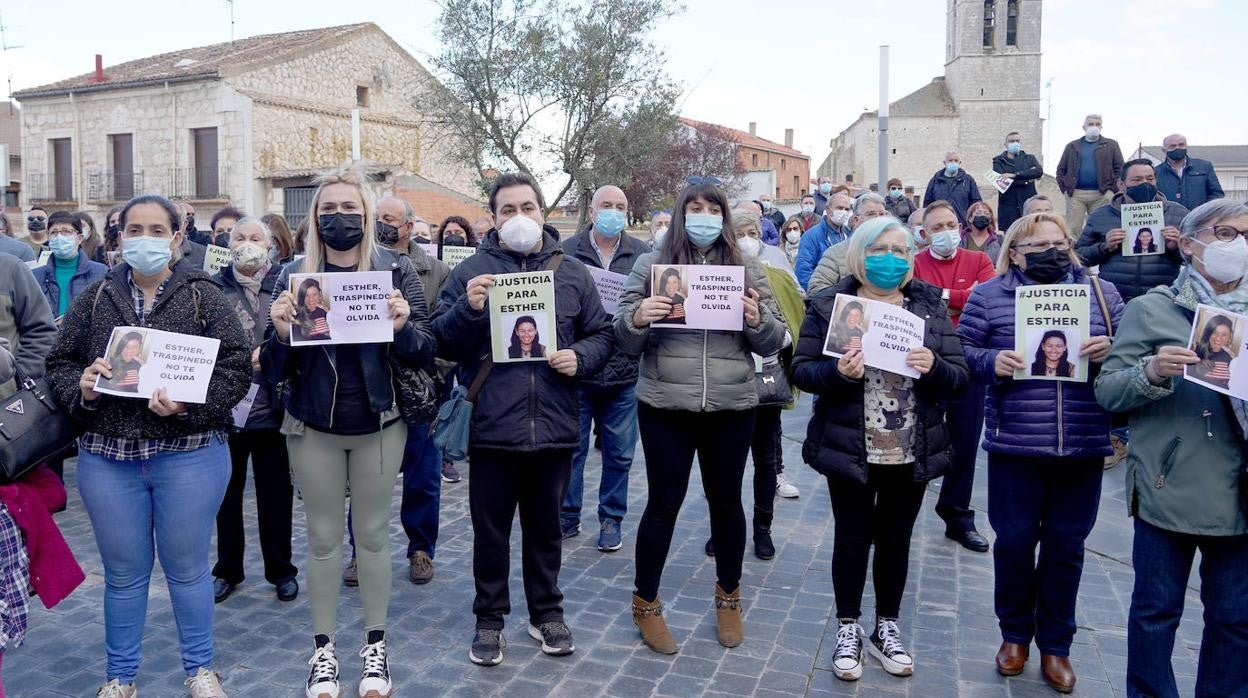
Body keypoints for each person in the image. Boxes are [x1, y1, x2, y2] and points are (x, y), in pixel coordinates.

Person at [46, 193, 252, 697]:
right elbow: (60, 363)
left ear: (178, 237)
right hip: (109, 458)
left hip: (190, 455)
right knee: (122, 575)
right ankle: (120, 677)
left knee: (187, 570)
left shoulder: (205, 294)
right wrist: (84, 387)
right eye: (134, 229)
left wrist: (187, 407)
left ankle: (200, 670)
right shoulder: (96, 296)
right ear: (118, 237)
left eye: (157, 230)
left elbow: (236, 369)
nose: (145, 239)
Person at [262, 163, 436, 698]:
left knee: (376, 537)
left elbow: (428, 351)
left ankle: (376, 648)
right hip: (312, 426)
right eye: (329, 210)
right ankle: (324, 652)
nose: (341, 218)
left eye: (350, 209)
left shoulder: (396, 270)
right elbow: (270, 369)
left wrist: (405, 327)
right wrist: (281, 332)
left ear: (367, 215)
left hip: (380, 424)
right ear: (315, 218)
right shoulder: (290, 274)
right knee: (321, 541)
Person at [431, 171, 613, 666]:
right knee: (490, 533)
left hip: (554, 426)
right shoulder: (470, 270)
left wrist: (581, 356)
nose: (518, 218)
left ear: (542, 211)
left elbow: (602, 335)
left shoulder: (572, 272)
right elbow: (441, 341)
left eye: (527, 208)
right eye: (507, 210)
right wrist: (469, 310)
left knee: (546, 529)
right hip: (493, 428)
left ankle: (546, 612)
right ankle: (489, 619)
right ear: (493, 218)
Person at [792, 215, 968, 682]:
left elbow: (959, 376)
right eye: (878, 250)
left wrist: (933, 366)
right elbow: (802, 369)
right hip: (851, 446)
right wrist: (836, 375)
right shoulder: (831, 305)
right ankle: (847, 626)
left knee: (896, 539)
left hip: (910, 446)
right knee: (851, 537)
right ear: (858, 254)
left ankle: (886, 625)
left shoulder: (927, 305)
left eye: (900, 251)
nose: (889, 259)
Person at [616, 178, 785, 656]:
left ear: (724, 216)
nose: (704, 215)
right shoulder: (652, 265)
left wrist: (757, 321)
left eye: (713, 207)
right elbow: (623, 339)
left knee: (727, 503)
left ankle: (728, 597)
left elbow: (775, 341)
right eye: (695, 207)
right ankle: (645, 601)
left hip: (731, 405)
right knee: (663, 504)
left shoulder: (746, 266)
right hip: (665, 403)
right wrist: (638, 318)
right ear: (681, 212)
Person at [957, 212, 1124, 694]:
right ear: (1014, 252)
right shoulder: (989, 296)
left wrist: (1110, 349)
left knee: (1066, 549)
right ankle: (1014, 635)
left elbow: (1131, 351)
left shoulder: (1102, 294)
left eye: (1059, 242)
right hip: (1016, 445)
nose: (1051, 251)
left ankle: (1057, 645)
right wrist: (994, 361)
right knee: (1012, 544)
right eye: (1038, 245)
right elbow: (963, 351)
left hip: (1083, 442)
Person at [1094, 199, 1248, 698]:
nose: (1238, 246)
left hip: (1240, 492)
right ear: (1188, 244)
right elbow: (1110, 391)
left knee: (1235, 621)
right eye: (1226, 233)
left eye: (1246, 235)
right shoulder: (1153, 308)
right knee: (1156, 616)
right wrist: (1153, 372)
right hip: (1169, 485)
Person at [209, 217, 297, 605]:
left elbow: (303, 338)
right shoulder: (211, 287)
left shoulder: (285, 285)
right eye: (239, 238)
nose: (248, 244)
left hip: (273, 411)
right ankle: (228, 569)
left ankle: (281, 571)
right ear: (227, 245)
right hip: (226, 412)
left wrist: (275, 353)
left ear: (271, 246)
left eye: (255, 238)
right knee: (225, 498)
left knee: (276, 496)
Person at [560, 185, 649, 551]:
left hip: (624, 371)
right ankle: (566, 515)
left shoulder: (643, 255)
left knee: (620, 452)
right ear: (592, 211)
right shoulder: (567, 253)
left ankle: (611, 518)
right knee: (572, 449)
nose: (614, 211)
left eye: (621, 206)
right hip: (579, 367)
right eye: (606, 205)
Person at [912, 201, 995, 552]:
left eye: (951, 224)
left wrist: (944, 296)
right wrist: (962, 296)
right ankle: (901, 511)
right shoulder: (914, 263)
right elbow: (919, 302)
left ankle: (957, 514)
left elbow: (986, 302)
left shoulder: (981, 260)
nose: (946, 231)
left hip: (968, 362)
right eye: (937, 226)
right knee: (916, 438)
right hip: (924, 362)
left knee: (964, 442)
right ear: (924, 233)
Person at [1075, 158, 1189, 303]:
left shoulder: (1178, 213)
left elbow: (1197, 260)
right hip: (1116, 299)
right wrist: (1104, 247)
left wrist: (1178, 247)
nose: (1145, 184)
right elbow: (1078, 257)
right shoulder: (1100, 215)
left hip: (1163, 300)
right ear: (1121, 184)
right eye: (1137, 180)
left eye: (1150, 179)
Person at [805, 193, 890, 296]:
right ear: (856, 220)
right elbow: (816, 289)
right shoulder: (836, 254)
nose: (878, 219)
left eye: (881, 214)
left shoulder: (897, 251)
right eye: (871, 214)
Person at [1056, 114, 1124, 235]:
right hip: (1076, 194)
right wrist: (1065, 189)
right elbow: (1061, 169)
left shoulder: (1111, 145)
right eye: (1091, 124)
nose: (1094, 127)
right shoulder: (1072, 146)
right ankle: (1073, 253)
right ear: (1084, 127)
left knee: (1100, 227)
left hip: (1101, 194)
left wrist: (1112, 190)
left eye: (1097, 124)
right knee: (1072, 229)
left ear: (1101, 127)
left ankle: (1098, 251)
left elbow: (1120, 168)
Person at [32, 211, 108, 318]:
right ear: (48, 238)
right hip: (48, 334)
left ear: (79, 238)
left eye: (66, 231)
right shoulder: (35, 276)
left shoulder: (100, 272)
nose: (59, 237)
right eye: (54, 232)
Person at [795, 192, 853, 289]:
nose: (844, 212)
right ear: (828, 210)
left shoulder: (849, 234)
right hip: (823, 294)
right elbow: (803, 271)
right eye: (839, 208)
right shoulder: (811, 236)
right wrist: (819, 295)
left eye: (847, 209)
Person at [1155, 133, 1224, 210]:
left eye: (1181, 145)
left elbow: (1217, 195)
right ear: (1164, 150)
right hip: (1170, 220)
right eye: (1172, 146)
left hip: (1199, 219)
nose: (1178, 148)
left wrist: (1205, 213)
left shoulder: (1204, 167)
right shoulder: (1156, 172)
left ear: (1186, 146)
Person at [993, 132, 1044, 231]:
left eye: (1017, 141)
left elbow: (1038, 172)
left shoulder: (1030, 158)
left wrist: (1014, 175)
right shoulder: (998, 161)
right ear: (1005, 144)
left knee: (1031, 234)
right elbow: (1001, 183)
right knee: (1010, 239)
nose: (1015, 143)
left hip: (1028, 203)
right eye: (1011, 141)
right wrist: (1026, 181)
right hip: (1008, 207)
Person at [922, 150, 982, 226]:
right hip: (940, 225)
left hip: (963, 225)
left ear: (960, 163)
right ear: (944, 163)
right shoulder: (935, 180)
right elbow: (927, 204)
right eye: (950, 160)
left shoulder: (968, 180)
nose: (953, 163)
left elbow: (976, 203)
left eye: (956, 161)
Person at [732, 204, 793, 273]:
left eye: (752, 233)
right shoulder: (724, 257)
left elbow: (792, 282)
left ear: (759, 233)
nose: (747, 239)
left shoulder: (776, 255)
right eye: (739, 235)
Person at [1188, 314, 1235, 388]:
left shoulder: (1230, 359)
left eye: (1224, 335)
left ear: (1230, 336)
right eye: (1214, 333)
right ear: (1208, 333)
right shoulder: (1194, 349)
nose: (1218, 338)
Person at [292, 278, 332, 342]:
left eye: (315, 294)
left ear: (319, 295)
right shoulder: (296, 316)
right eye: (307, 295)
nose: (311, 299)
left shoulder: (324, 312)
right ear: (302, 297)